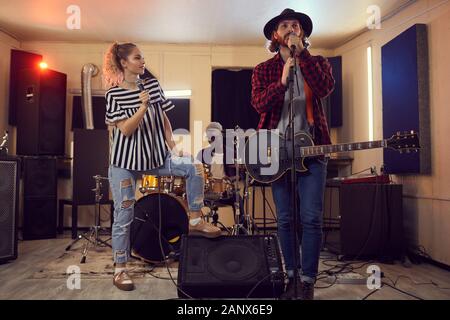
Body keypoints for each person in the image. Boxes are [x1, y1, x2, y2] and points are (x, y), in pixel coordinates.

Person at [103, 42, 221, 291]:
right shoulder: (113, 94)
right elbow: (125, 129)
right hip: (125, 163)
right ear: (124, 63)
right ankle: (120, 269)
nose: (142, 61)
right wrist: (142, 107)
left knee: (193, 166)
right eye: (137, 58)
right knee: (123, 216)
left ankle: (196, 219)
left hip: (156, 157)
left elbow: (164, 119)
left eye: (143, 57)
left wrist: (173, 146)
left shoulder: (152, 85)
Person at [251, 9, 335, 299]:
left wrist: (304, 58)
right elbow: (259, 104)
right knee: (285, 218)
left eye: (295, 25)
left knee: (311, 217)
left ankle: (308, 280)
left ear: (302, 33)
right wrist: (282, 81)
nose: (289, 29)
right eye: (284, 25)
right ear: (275, 35)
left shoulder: (318, 62)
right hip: (277, 154)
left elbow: (325, 88)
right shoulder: (264, 69)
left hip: (313, 150)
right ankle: (290, 277)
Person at [197, 122, 247, 230]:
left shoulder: (230, 153)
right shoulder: (202, 154)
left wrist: (230, 179)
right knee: (192, 197)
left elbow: (240, 174)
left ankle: (241, 230)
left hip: (226, 192)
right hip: (207, 192)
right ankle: (198, 229)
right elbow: (196, 174)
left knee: (238, 197)